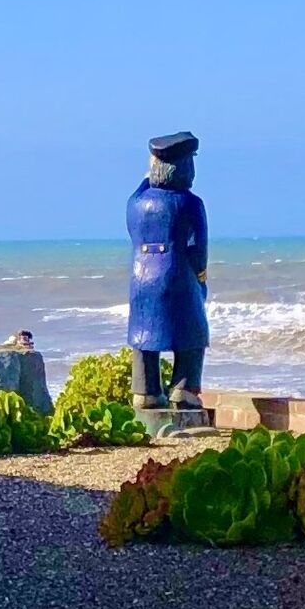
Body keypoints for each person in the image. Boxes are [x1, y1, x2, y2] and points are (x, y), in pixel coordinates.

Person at [126, 132, 209, 417]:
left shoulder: (136, 204)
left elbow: (139, 191)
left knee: (143, 335)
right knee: (193, 334)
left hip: (141, 279)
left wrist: (149, 172)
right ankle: (183, 389)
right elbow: (198, 248)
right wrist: (201, 277)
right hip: (178, 276)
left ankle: (145, 391)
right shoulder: (190, 203)